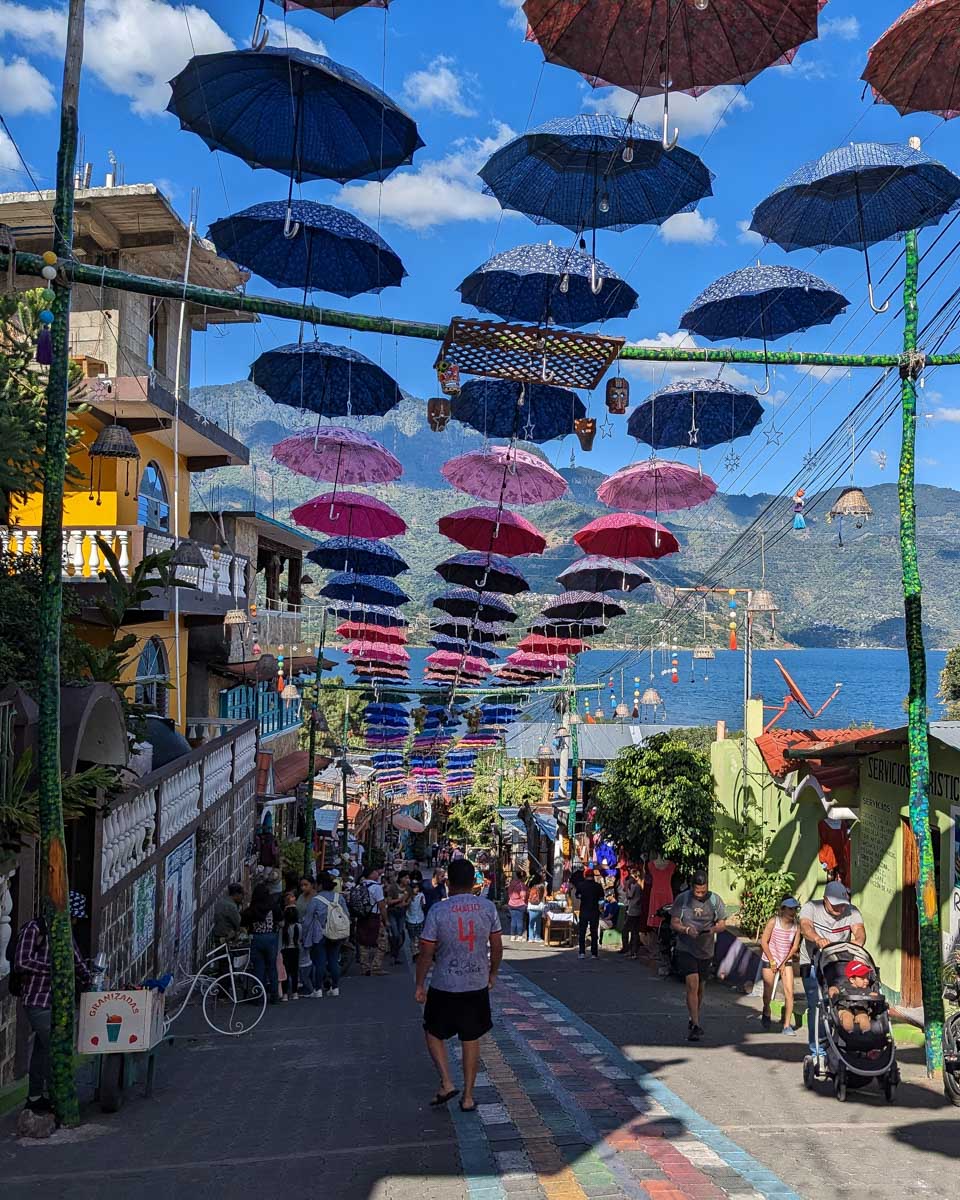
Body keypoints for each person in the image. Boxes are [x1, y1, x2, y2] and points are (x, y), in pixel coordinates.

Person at [415, 857, 502, 1113]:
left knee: (433, 1032)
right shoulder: (487, 908)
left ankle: (446, 1081)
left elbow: (426, 951)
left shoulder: (438, 911)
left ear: (449, 883)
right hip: (475, 982)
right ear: (474, 880)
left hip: (444, 983)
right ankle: (468, 1096)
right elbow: (496, 946)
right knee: (471, 1037)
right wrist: (493, 974)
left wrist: (420, 983)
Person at [13, 891, 92, 1114]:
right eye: (73, 917)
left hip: (56, 1002)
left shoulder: (65, 933)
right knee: (56, 1046)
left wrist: (90, 981)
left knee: (42, 1050)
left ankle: (36, 1097)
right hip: (37, 1000)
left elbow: (76, 961)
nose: (75, 922)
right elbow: (22, 961)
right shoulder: (35, 929)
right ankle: (60, 1097)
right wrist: (54, 966)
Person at [798, 880, 866, 1058]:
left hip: (839, 963)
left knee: (842, 1001)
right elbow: (805, 927)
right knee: (818, 1004)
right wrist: (817, 939)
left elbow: (859, 930)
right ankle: (818, 1049)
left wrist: (857, 942)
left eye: (843, 905)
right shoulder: (811, 908)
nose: (840, 909)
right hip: (813, 962)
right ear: (825, 900)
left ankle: (841, 1043)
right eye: (836, 906)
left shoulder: (852, 911)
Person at [670, 869, 726, 1042]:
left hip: (706, 949)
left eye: (703, 891)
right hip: (686, 948)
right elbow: (674, 922)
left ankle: (693, 1015)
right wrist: (686, 929)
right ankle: (695, 1024)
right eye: (697, 891)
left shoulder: (715, 900)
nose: (700, 894)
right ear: (692, 887)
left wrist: (713, 929)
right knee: (692, 985)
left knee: (701, 988)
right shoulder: (683, 900)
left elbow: (722, 923)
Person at [759, 897, 801, 1034]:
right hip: (770, 959)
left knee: (790, 993)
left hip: (786, 960)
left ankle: (787, 1025)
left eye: (794, 909)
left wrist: (783, 963)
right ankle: (766, 1009)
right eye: (789, 909)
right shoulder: (773, 922)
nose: (792, 912)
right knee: (768, 992)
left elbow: (794, 947)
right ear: (782, 909)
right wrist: (772, 961)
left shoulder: (796, 926)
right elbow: (764, 941)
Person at [243, 883, 280, 1003]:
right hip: (271, 937)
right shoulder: (273, 907)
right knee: (272, 968)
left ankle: (259, 997)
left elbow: (243, 922)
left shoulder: (252, 909)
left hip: (256, 938)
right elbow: (280, 920)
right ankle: (274, 996)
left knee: (258, 968)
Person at [316, 870, 350, 996]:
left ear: (319, 884)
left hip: (321, 934)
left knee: (320, 962)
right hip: (336, 933)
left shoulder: (316, 900)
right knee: (334, 960)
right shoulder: (339, 897)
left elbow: (308, 919)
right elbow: (346, 915)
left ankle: (318, 989)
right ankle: (335, 988)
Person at [353, 865, 388, 976]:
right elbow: (382, 905)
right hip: (374, 917)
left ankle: (365, 968)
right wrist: (386, 920)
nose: (378, 874)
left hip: (362, 917)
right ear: (371, 874)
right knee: (382, 942)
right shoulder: (376, 887)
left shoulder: (359, 885)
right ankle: (376, 967)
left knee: (363, 942)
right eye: (375, 872)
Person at [574, 867, 605, 960]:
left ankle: (582, 952)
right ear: (593, 876)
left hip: (584, 911)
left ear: (585, 875)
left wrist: (583, 897)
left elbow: (577, 895)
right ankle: (594, 953)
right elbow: (601, 899)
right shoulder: (598, 886)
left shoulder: (581, 885)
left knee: (582, 932)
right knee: (594, 932)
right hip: (594, 911)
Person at [279, 892, 302, 1001]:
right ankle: (295, 993)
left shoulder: (283, 927)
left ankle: (284, 994)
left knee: (285, 973)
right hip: (295, 950)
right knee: (294, 972)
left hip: (285, 950)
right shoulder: (298, 926)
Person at [384, 870, 408, 965]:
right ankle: (393, 954)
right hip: (392, 913)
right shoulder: (393, 888)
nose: (407, 879)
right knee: (396, 934)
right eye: (405, 877)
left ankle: (395, 954)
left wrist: (405, 903)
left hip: (402, 913)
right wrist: (399, 900)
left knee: (400, 934)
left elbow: (409, 900)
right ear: (401, 878)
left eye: (408, 877)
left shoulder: (408, 888)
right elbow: (389, 902)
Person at [620, 870, 644, 959]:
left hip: (633, 911)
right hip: (636, 910)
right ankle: (633, 951)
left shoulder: (635, 886)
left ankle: (628, 948)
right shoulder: (639, 887)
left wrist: (627, 887)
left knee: (626, 930)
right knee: (634, 931)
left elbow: (629, 896)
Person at [212, 882, 244, 947]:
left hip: (217, 937)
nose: (243, 897)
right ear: (236, 894)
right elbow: (240, 924)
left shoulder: (221, 901)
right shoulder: (231, 906)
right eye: (242, 895)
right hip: (226, 939)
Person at [406, 876, 427, 957]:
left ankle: (418, 952)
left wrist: (422, 902)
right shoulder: (408, 896)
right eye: (414, 888)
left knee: (419, 937)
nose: (416, 889)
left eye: (417, 887)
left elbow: (423, 906)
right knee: (412, 937)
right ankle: (414, 952)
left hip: (420, 918)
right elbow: (406, 905)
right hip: (410, 919)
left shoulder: (421, 895)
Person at [507, 870, 528, 941]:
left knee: (513, 920)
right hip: (520, 905)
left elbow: (509, 892)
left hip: (511, 903)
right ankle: (519, 936)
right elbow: (523, 895)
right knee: (519, 920)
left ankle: (512, 936)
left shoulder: (512, 883)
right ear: (523, 877)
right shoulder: (522, 885)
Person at [526, 874, 546, 943]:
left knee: (531, 923)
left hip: (531, 906)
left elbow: (528, 896)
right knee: (538, 923)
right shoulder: (542, 887)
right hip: (539, 907)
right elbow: (545, 895)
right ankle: (537, 937)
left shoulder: (532, 887)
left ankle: (531, 938)